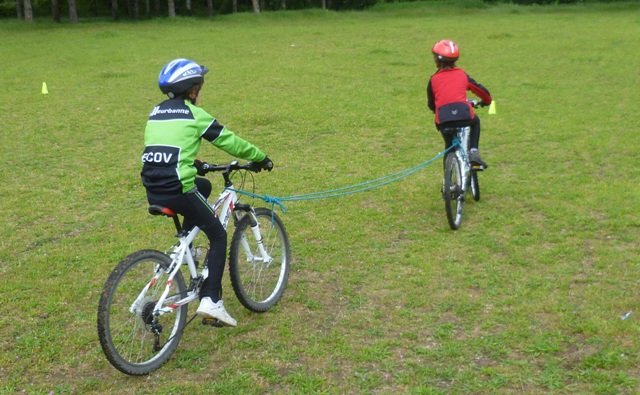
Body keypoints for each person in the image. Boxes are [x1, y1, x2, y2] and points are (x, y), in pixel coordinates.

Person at [140, 58, 273, 327]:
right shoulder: (194, 114)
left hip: (154, 188)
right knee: (218, 234)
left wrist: (194, 163)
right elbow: (229, 141)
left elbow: (167, 146)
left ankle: (190, 246)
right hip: (178, 188)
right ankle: (212, 300)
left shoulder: (156, 112)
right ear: (192, 89)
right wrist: (260, 157)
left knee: (204, 186)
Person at [427, 39, 492, 168]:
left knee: (449, 146)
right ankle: (473, 151)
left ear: (437, 60)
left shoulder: (433, 79)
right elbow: (482, 91)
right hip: (464, 116)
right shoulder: (462, 75)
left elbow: (431, 104)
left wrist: (436, 109)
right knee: (475, 122)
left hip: (444, 119)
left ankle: (447, 184)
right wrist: (486, 101)